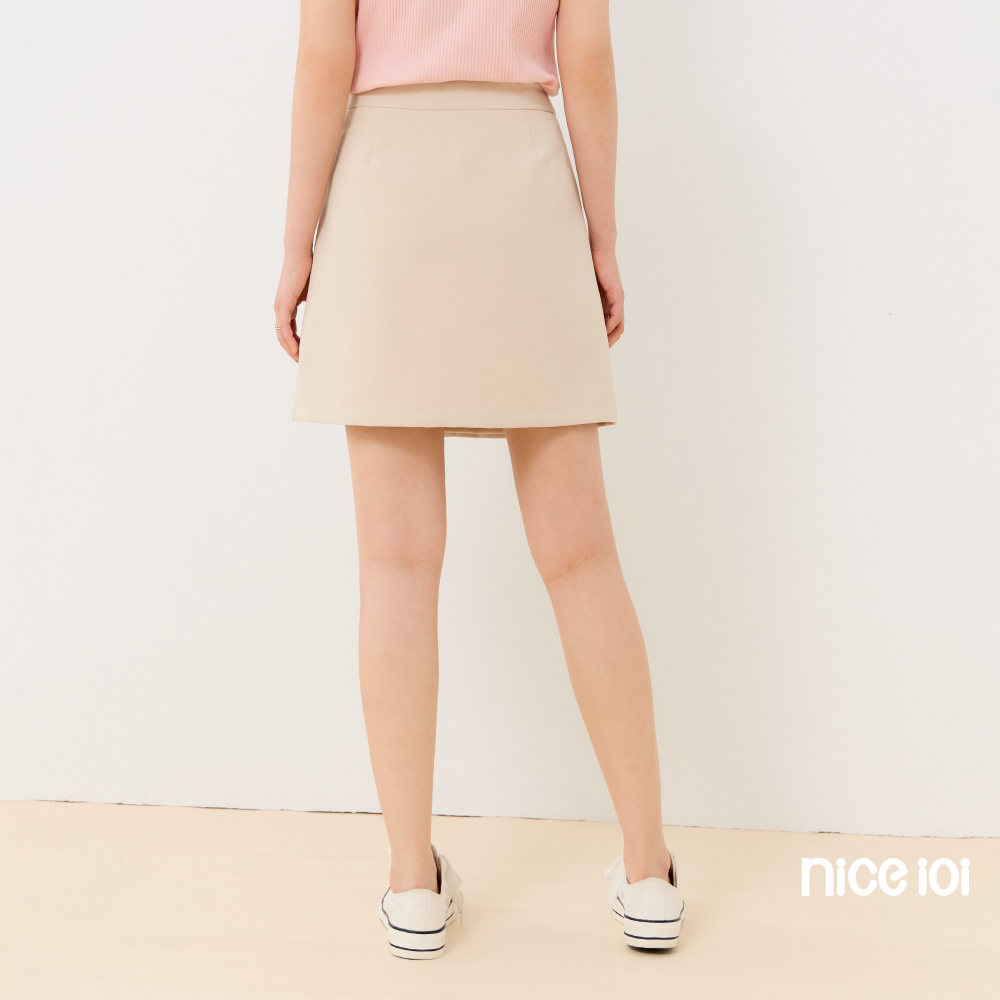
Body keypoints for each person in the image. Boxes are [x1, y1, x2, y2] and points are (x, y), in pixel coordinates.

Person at [273, 0, 683, 959]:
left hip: (384, 188)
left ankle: (411, 884)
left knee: (395, 563)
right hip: (521, 191)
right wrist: (603, 238)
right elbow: (587, 59)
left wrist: (296, 248)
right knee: (582, 558)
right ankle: (647, 870)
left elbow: (324, 58)